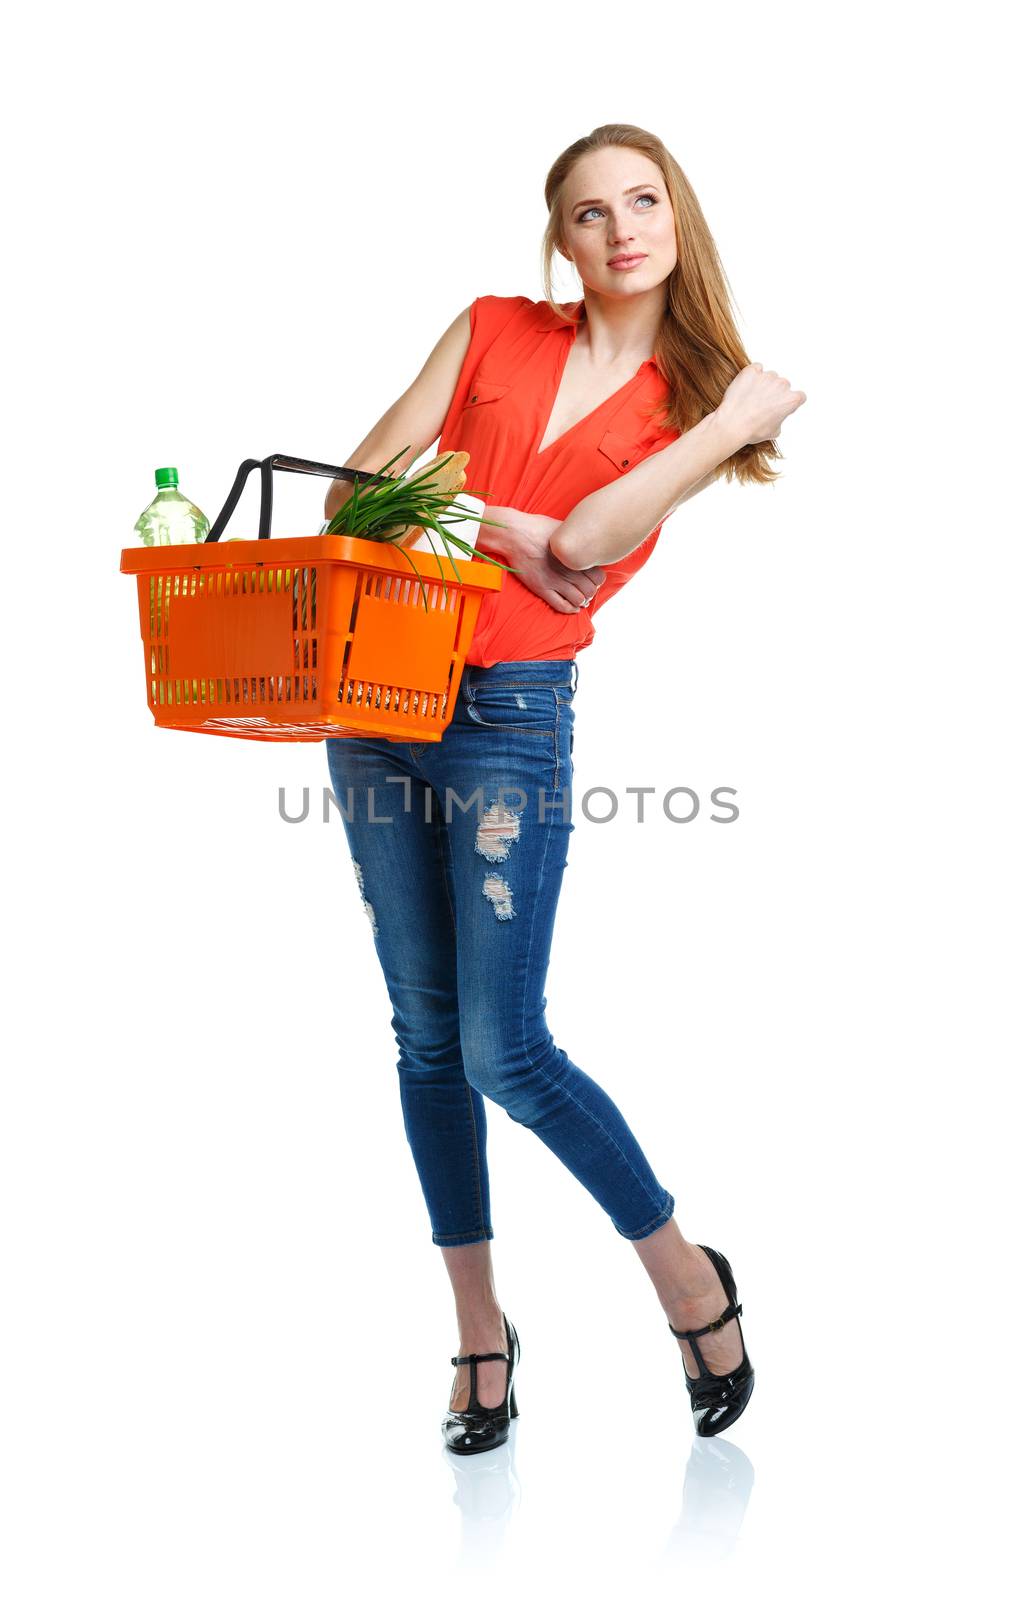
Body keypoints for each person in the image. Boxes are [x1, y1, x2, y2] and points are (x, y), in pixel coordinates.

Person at [322, 122, 805, 1455]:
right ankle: (481, 1337)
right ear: (559, 238)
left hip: (503, 721)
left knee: (502, 1048)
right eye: (586, 212)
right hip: (370, 695)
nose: (617, 229)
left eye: (641, 201)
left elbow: (592, 543)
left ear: (677, 217)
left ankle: (686, 1281)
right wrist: (510, 526)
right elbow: (359, 494)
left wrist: (482, 503)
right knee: (424, 1039)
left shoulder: (702, 405)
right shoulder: (487, 328)